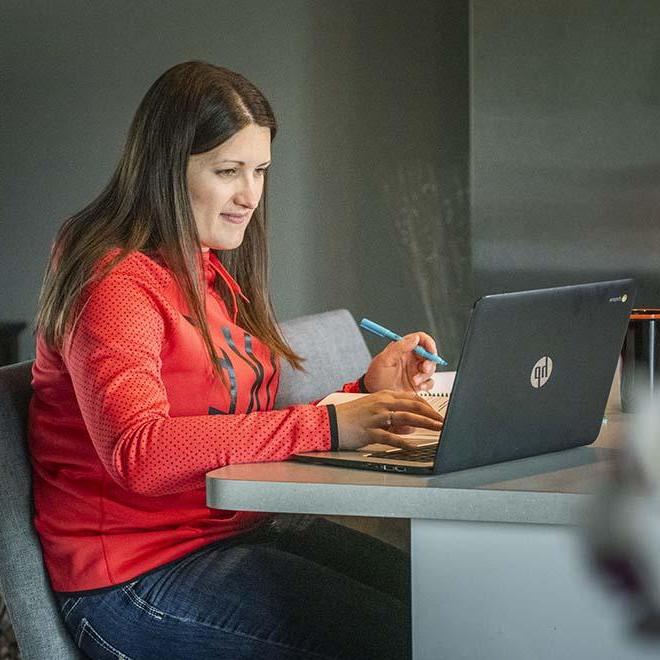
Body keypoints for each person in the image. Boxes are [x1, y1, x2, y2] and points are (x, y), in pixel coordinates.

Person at [29, 60, 443, 660]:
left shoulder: (206, 265)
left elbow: (232, 423)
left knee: (443, 606)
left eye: (260, 171)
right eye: (228, 171)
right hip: (131, 579)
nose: (250, 196)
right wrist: (330, 423)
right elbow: (139, 452)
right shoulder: (114, 282)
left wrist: (361, 392)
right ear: (166, 171)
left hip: (226, 533)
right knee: (404, 639)